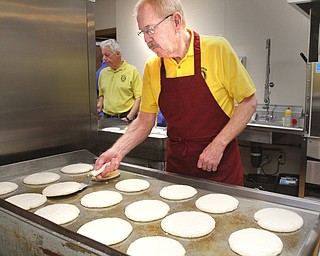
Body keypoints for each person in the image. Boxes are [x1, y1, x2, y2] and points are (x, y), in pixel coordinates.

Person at [95, 0, 257, 186]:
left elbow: (249, 102)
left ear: (176, 22)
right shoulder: (153, 67)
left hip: (220, 169)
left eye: (150, 29)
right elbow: (145, 120)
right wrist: (117, 151)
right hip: (178, 171)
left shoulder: (216, 49)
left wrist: (218, 145)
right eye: (143, 32)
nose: (147, 40)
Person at [97, 39, 142, 123]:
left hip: (125, 117)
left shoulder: (132, 71)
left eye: (107, 55)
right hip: (107, 118)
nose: (104, 59)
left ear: (118, 54)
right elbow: (102, 95)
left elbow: (138, 98)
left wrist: (129, 117)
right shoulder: (103, 73)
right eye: (103, 55)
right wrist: (99, 105)